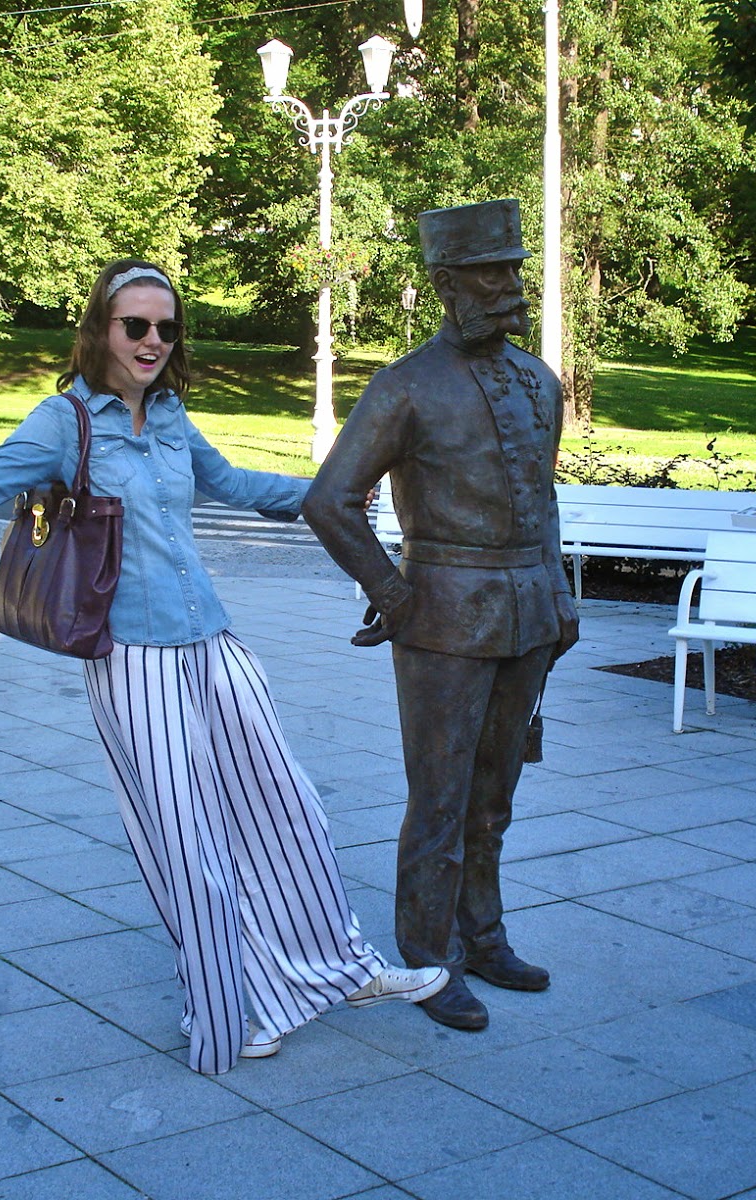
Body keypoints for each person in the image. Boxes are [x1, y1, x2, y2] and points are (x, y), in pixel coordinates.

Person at [0, 258, 445, 1075]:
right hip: (133, 661)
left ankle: (342, 970)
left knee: (287, 813)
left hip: (214, 643)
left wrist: (339, 487)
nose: (153, 340)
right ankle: (225, 1009)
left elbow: (234, 483)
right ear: (100, 330)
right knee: (187, 844)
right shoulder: (63, 423)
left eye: (166, 328)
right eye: (135, 325)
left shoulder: (171, 415)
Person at [301, 200, 580, 1032]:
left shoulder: (539, 381)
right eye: (490, 274)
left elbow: (545, 500)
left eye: (514, 269)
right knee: (440, 802)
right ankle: (429, 958)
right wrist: (393, 593)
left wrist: (559, 593)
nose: (509, 287)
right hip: (444, 619)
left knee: (495, 797)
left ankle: (483, 936)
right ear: (447, 283)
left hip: (528, 613)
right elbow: (329, 501)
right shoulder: (406, 386)